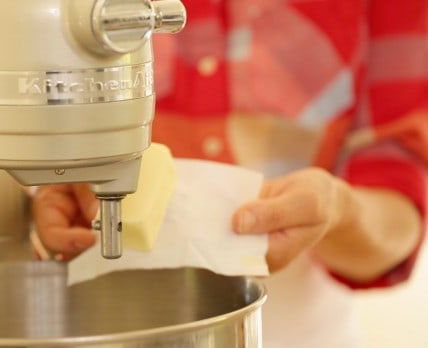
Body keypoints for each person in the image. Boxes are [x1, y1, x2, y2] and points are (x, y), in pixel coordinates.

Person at [31, 1, 427, 347]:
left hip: (298, 333)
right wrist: (47, 189)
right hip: (88, 325)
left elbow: (396, 197)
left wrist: (339, 210)